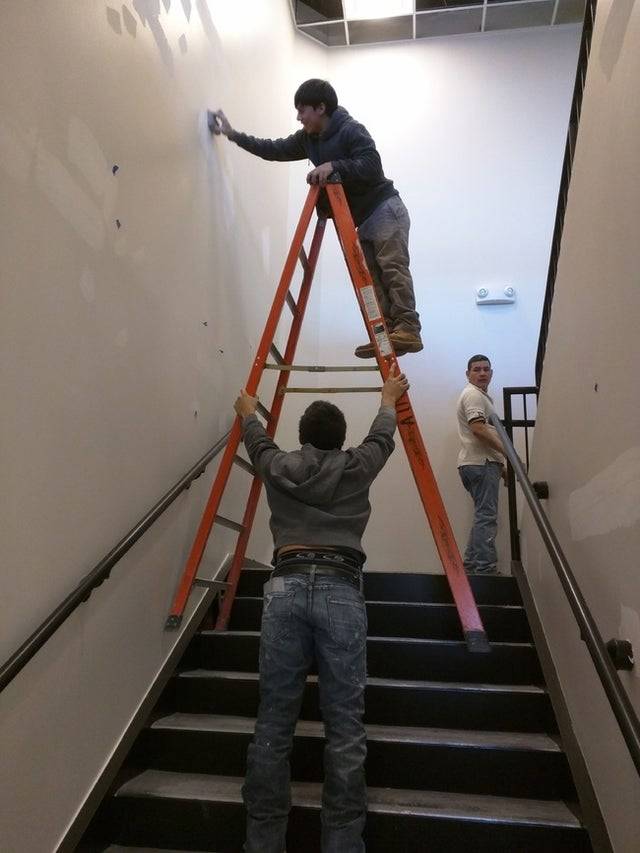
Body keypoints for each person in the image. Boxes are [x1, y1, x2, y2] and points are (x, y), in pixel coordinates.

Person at [233, 365, 409, 853]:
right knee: (346, 724)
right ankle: (342, 844)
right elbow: (383, 438)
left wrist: (248, 413)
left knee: (273, 721)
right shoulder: (357, 466)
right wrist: (388, 396)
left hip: (285, 587)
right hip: (340, 588)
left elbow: (258, 443)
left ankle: (263, 842)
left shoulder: (279, 465)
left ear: (302, 436)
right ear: (339, 439)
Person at [212, 78, 422, 359]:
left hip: (384, 208)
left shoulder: (350, 130)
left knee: (392, 270)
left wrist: (334, 165)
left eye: (302, 110)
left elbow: (372, 165)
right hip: (362, 218)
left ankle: (408, 328)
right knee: (373, 280)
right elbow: (274, 149)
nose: (299, 117)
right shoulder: (308, 139)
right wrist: (233, 135)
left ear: (321, 108)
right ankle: (388, 336)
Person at [456, 354, 506, 575]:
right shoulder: (474, 396)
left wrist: (501, 465)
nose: (482, 373)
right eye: (477, 369)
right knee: (486, 516)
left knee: (482, 515)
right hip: (480, 463)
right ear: (468, 374)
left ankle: (471, 566)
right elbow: (478, 429)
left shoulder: (478, 396)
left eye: (486, 369)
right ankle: (485, 569)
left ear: (492, 373)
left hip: (478, 462)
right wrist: (509, 455)